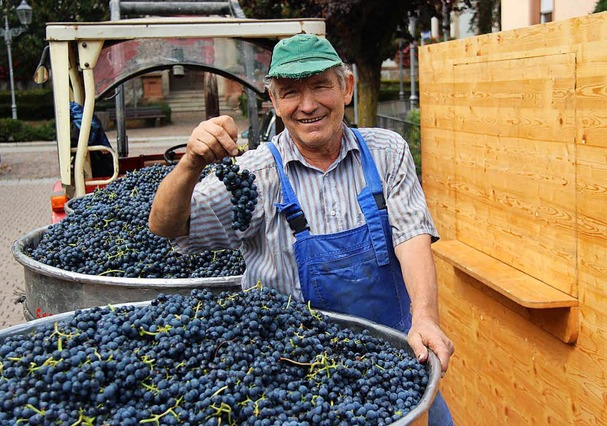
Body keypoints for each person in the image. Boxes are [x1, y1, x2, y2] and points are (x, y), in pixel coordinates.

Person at [149, 33, 455, 425]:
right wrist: (190, 164)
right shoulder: (254, 174)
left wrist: (425, 317)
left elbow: (411, 235)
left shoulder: (387, 152)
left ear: (345, 88)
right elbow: (166, 226)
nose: (307, 105)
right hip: (292, 376)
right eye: (291, 92)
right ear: (273, 100)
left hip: (390, 361)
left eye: (320, 86)